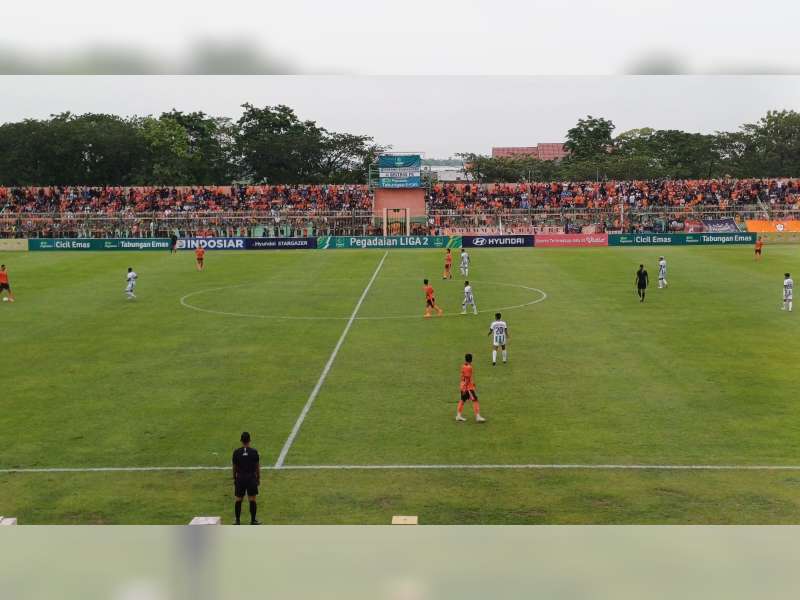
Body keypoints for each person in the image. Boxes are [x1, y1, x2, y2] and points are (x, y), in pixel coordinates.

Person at [232, 432, 261, 525]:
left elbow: (234, 467)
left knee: (238, 499)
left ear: (241, 441)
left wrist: (234, 478)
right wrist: (258, 477)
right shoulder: (254, 452)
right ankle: (253, 520)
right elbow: (257, 466)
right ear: (249, 440)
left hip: (240, 478)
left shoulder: (236, 452)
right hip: (251, 478)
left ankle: (237, 520)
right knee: (252, 499)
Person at [456, 353, 485, 423]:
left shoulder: (463, 365)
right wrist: (465, 389)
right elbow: (467, 378)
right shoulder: (469, 367)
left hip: (463, 385)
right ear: (471, 359)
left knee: (462, 400)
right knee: (475, 400)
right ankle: (478, 416)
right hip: (468, 387)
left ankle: (458, 416)